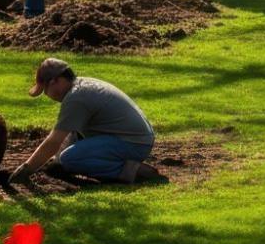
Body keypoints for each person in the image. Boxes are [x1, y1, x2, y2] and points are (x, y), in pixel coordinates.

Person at [9, 57, 160, 185]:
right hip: (135, 139)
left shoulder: (76, 98)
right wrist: (55, 162)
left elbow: (54, 141)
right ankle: (123, 164)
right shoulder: (81, 86)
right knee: (64, 157)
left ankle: (132, 171)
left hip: (133, 143)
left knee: (70, 159)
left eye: (45, 90)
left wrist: (26, 169)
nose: (47, 95)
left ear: (55, 81)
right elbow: (72, 134)